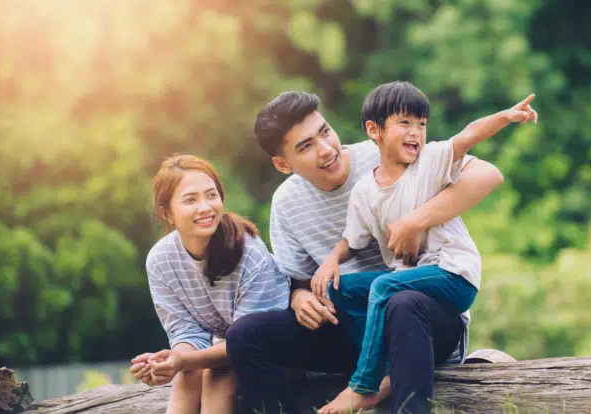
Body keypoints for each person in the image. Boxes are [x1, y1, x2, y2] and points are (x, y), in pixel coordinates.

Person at [225, 90, 506, 414]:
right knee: (246, 335)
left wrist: (414, 221)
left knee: (400, 301)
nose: (326, 149)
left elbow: (486, 174)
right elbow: (298, 283)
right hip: (355, 325)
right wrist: (300, 299)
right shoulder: (287, 204)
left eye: (325, 132)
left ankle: (383, 387)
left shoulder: (383, 155)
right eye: (306, 146)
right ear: (283, 164)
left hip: (423, 318)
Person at [311, 81, 537, 413]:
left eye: (422, 124)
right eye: (405, 123)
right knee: (341, 287)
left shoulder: (429, 162)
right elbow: (353, 240)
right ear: (374, 130)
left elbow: (469, 135)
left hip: (454, 275)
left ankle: (364, 384)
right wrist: (332, 260)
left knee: (384, 286)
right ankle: (385, 368)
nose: (416, 132)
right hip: (413, 280)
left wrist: (505, 116)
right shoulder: (364, 190)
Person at [129, 155, 290, 414]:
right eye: (190, 200)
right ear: (167, 213)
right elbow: (185, 332)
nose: (205, 207)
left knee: (217, 376)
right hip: (230, 346)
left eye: (211, 195)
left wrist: (183, 361)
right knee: (187, 376)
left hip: (279, 346)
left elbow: (249, 338)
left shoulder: (249, 251)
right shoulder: (160, 261)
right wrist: (170, 362)